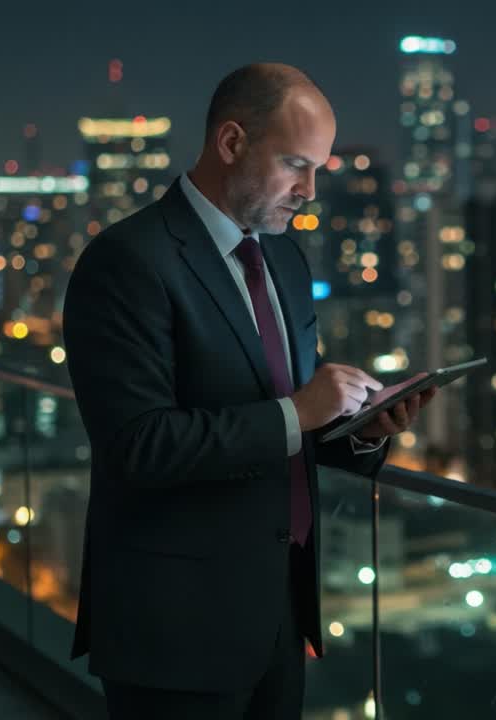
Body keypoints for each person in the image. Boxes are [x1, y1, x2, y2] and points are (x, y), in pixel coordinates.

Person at [62, 62, 434, 719]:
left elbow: (288, 421)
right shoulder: (128, 261)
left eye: (319, 168)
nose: (310, 191)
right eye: (296, 164)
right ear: (231, 142)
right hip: (173, 629)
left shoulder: (285, 259)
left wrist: (359, 430)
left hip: (278, 616)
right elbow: (139, 446)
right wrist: (302, 410)